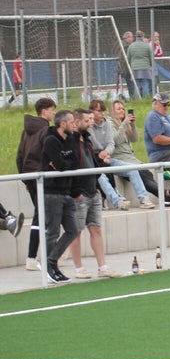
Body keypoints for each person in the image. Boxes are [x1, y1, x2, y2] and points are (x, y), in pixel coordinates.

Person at [67, 109, 122, 279]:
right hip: (79, 194)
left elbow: (92, 162)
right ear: (77, 122)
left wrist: (97, 182)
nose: (90, 123)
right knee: (76, 231)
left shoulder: (87, 140)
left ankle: (103, 266)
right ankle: (79, 268)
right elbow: (69, 167)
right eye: (86, 121)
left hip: (92, 191)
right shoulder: (70, 142)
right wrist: (75, 192)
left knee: (96, 228)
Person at [109, 100, 170, 206]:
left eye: (123, 108)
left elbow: (135, 139)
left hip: (131, 159)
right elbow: (115, 141)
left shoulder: (124, 124)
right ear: (112, 111)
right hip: (120, 159)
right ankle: (165, 194)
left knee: (147, 173)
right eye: (118, 109)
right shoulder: (110, 124)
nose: (122, 111)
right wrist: (124, 124)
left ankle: (165, 196)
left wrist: (132, 125)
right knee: (141, 174)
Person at [89, 99, 153, 209]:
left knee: (133, 169)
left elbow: (112, 143)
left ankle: (143, 199)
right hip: (96, 159)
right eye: (99, 111)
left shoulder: (106, 124)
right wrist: (102, 153)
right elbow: (96, 144)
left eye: (103, 111)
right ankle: (117, 202)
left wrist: (107, 152)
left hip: (109, 158)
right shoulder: (93, 126)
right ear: (91, 112)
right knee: (101, 176)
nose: (102, 114)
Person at [16, 96, 56, 271]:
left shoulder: (26, 131)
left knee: (42, 214)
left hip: (30, 176)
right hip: (41, 176)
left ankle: (43, 255)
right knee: (42, 215)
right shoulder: (46, 130)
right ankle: (34, 257)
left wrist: (25, 178)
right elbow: (48, 154)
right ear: (44, 111)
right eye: (52, 110)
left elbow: (19, 156)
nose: (54, 113)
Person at [41, 110, 79, 283]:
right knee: (53, 232)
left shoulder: (71, 139)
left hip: (67, 191)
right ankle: (50, 268)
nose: (74, 125)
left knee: (72, 230)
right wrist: (62, 165)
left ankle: (51, 261)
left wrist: (63, 165)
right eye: (71, 122)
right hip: (52, 192)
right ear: (62, 124)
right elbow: (61, 164)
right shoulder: (50, 140)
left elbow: (74, 163)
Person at [127, 30, 154, 99]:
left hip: (135, 68)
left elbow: (128, 58)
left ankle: (137, 99)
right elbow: (151, 57)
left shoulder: (131, 46)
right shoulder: (147, 45)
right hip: (145, 67)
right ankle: (146, 99)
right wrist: (150, 65)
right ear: (142, 36)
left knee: (137, 85)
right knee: (145, 84)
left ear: (136, 36)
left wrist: (131, 65)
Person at [119, 30, 137, 99]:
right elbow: (128, 57)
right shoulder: (126, 46)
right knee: (131, 85)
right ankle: (133, 99)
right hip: (127, 69)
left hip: (125, 68)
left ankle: (133, 98)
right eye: (132, 37)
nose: (133, 39)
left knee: (131, 84)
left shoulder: (123, 44)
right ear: (127, 38)